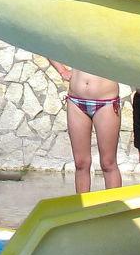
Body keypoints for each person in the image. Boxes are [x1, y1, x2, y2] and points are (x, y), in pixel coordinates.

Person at [51, 62, 121, 193]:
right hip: (76, 100)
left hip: (106, 101)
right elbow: (46, 43)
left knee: (108, 163)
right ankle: (84, 210)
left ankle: (114, 210)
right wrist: (62, 70)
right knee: (81, 163)